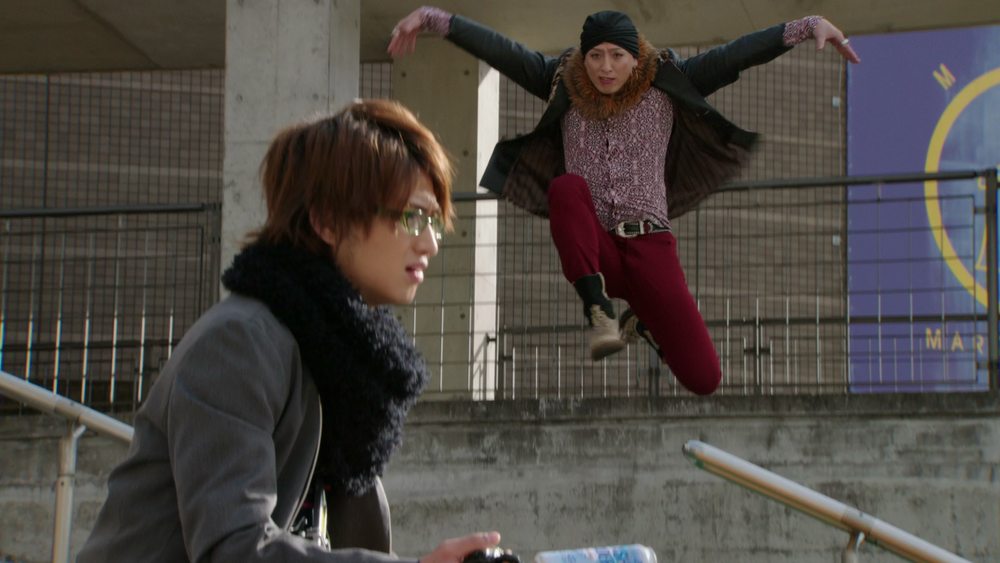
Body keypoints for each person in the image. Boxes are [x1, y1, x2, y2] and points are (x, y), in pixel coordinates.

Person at [76, 100, 503, 562]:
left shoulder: (341, 360)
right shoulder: (238, 344)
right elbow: (234, 549)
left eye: (435, 221)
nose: (430, 243)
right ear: (328, 221)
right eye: (412, 217)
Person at [388, 7, 860, 396]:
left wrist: (807, 26)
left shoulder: (668, 80)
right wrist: (432, 18)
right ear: (584, 57)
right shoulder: (560, 80)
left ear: (636, 58)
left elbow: (735, 55)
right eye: (595, 56)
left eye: (617, 55)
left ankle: (644, 325)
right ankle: (599, 312)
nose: (605, 68)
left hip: (652, 249)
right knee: (565, 188)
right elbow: (503, 51)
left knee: (704, 379)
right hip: (596, 253)